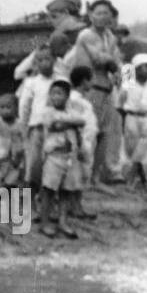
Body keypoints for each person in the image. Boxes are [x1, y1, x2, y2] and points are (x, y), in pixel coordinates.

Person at [69, 0, 125, 185]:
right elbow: (102, 60)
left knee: (105, 134)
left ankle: (96, 177)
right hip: (90, 89)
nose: (102, 17)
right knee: (90, 133)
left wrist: (125, 82)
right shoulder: (86, 35)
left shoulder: (110, 36)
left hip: (107, 89)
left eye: (106, 13)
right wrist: (117, 67)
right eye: (98, 13)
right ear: (91, 15)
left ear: (111, 16)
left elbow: (119, 62)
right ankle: (84, 178)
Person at [35, 79, 87, 239]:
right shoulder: (47, 111)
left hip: (70, 156)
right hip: (54, 156)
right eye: (53, 93)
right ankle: (44, 222)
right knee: (49, 190)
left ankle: (63, 221)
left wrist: (65, 122)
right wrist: (70, 123)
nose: (56, 97)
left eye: (60, 94)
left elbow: (82, 121)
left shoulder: (69, 112)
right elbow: (53, 125)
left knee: (66, 190)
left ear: (67, 96)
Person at [120, 53, 147, 190]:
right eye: (146, 66)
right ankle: (143, 181)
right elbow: (121, 100)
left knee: (143, 150)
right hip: (131, 116)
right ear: (137, 68)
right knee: (132, 150)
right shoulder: (129, 79)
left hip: (146, 117)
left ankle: (131, 180)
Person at [18, 46, 56, 194]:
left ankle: (48, 202)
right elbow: (25, 107)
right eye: (40, 60)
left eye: (48, 59)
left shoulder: (61, 80)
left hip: (56, 129)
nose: (45, 63)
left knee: (52, 166)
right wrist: (25, 128)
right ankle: (31, 201)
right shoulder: (32, 83)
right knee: (34, 165)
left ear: (54, 60)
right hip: (37, 128)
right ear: (36, 63)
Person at [67, 66, 99, 220]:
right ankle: (75, 207)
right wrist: (80, 143)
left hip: (87, 141)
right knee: (78, 174)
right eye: (91, 79)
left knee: (82, 173)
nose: (93, 82)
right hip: (80, 142)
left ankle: (76, 206)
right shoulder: (74, 100)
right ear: (84, 81)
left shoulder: (80, 99)